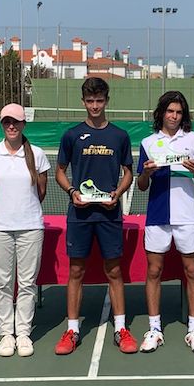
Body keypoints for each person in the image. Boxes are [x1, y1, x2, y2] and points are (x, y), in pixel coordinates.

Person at [54, 77, 137, 355]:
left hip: (109, 214)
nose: (94, 106)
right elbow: (60, 171)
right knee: (75, 270)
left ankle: (121, 328)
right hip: (80, 214)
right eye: (90, 101)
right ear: (83, 102)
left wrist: (118, 194)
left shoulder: (119, 136)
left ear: (106, 101)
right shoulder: (71, 135)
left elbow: (128, 172)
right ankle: (73, 330)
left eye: (99, 101)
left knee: (114, 270)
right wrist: (72, 191)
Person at [136, 91, 194, 354]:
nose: (174, 116)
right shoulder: (148, 142)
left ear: (183, 115)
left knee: (192, 271)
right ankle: (155, 329)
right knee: (154, 271)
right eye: (170, 111)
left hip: (186, 216)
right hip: (157, 215)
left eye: (178, 112)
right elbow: (142, 185)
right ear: (162, 113)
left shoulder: (193, 140)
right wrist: (145, 172)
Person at [0, 103, 51, 357]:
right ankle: (7, 334)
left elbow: (40, 191)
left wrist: (22, 211)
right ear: (1, 124)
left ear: (23, 124)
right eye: (7, 121)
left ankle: (24, 334)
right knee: (2, 284)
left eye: (16, 122)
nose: (11, 126)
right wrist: (1, 211)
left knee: (27, 283)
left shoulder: (38, 155)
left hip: (30, 227)